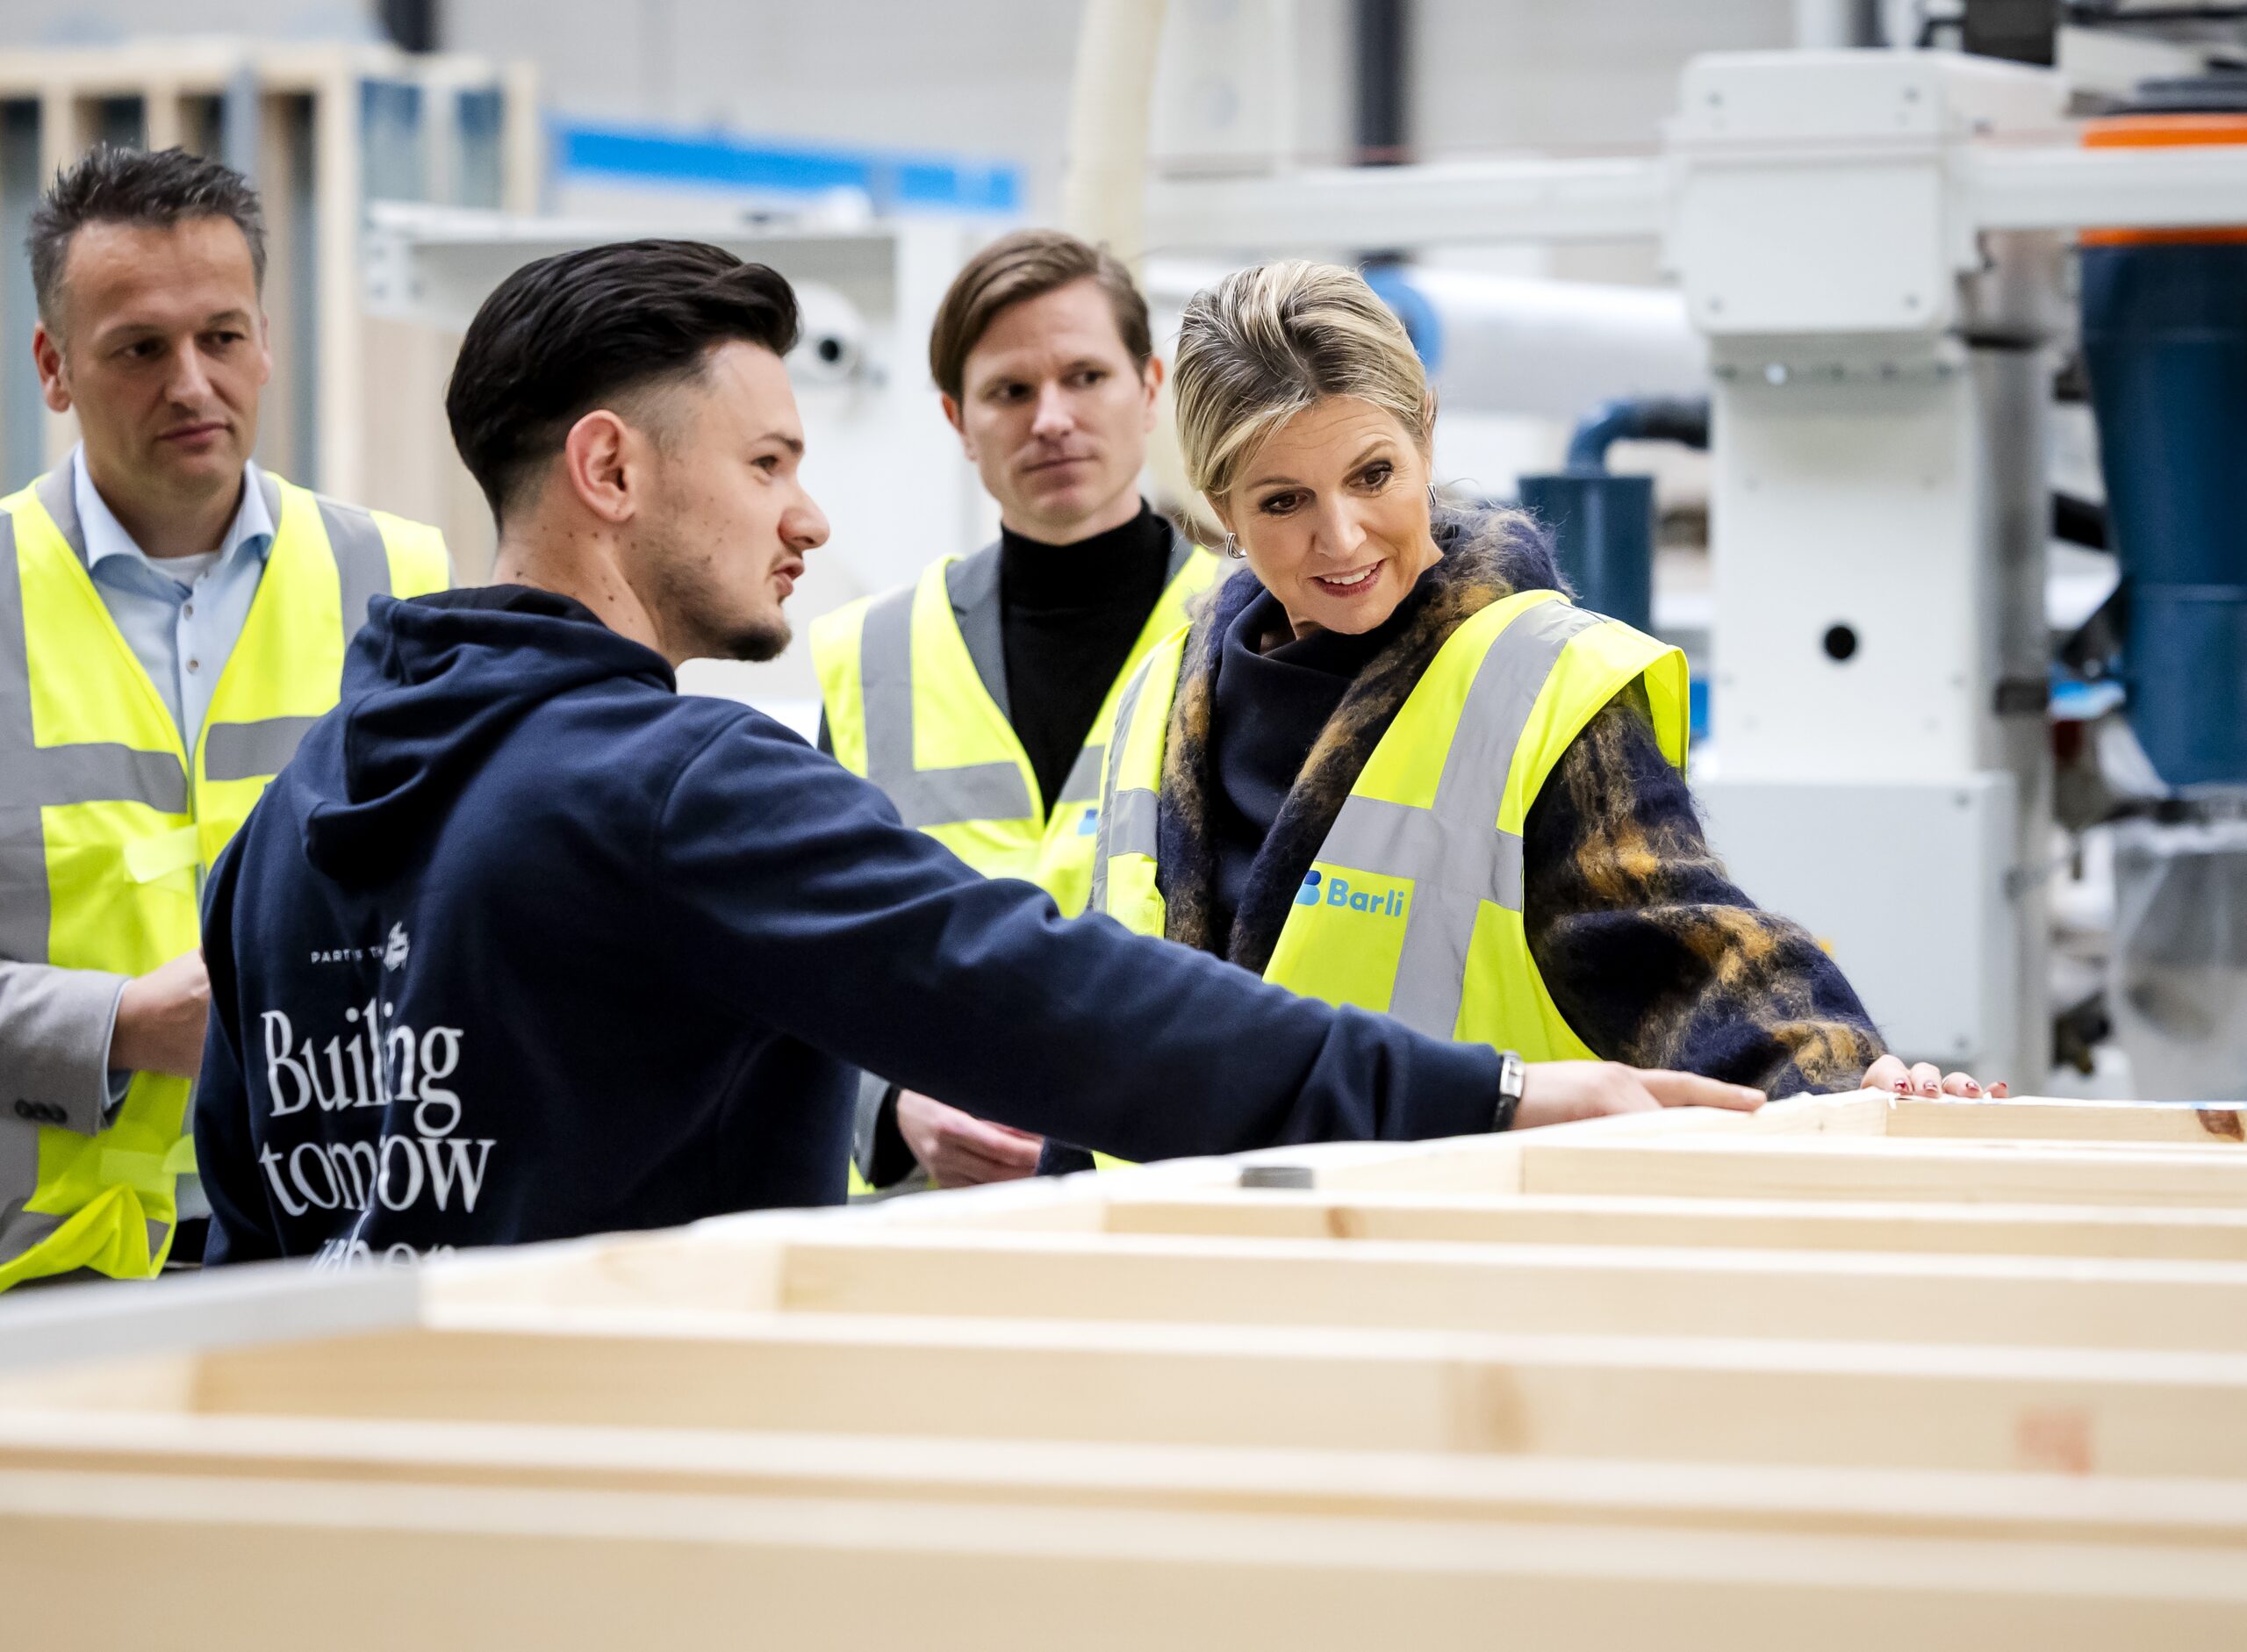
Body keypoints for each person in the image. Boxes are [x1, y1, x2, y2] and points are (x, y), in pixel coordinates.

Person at [190, 241, 1764, 1268]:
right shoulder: (671, 786)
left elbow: (270, 1227)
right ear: (609, 466)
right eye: (766, 463)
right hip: (642, 1515)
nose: (806, 516)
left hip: (381, 1502)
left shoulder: (286, 824)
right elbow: (1065, 1001)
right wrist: (1492, 1102)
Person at [1056, 258, 1994, 1174]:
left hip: (1435, 1269)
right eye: (1283, 500)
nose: (1339, 536)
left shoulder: (1539, 682)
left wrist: (1838, 1081)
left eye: (1373, 474)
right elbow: (1101, 1006)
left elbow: (1673, 941)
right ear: (1222, 503)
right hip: (1177, 1269)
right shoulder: (1160, 692)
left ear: (1425, 433)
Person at [0, 146, 449, 1289]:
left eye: (223, 337)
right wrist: (111, 1024)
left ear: (265, 343)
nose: (192, 383)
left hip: (339, 1240)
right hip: (44, 1266)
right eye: (141, 349)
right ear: (54, 366)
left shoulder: (400, 577)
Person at [811, 231, 1220, 1193]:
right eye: (1009, 391)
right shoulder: (870, 656)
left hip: (1166, 1188)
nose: (1052, 419)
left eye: (1084, 375)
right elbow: (808, 952)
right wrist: (890, 1107)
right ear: (958, 418)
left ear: (1148, 385)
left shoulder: (1249, 636)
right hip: (925, 1225)